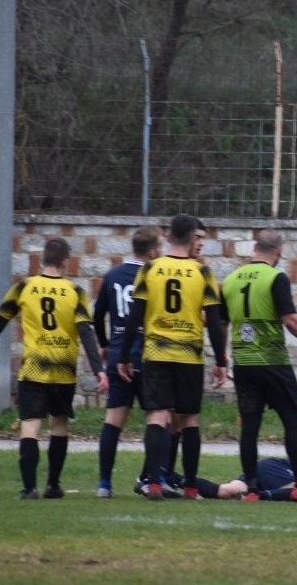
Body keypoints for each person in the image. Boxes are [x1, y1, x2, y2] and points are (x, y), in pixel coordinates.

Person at [0, 237, 106, 500]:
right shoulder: (75, 291)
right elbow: (86, 331)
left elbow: (0, 321)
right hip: (63, 369)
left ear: (43, 260)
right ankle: (53, 485)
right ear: (66, 261)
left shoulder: (24, 287)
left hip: (34, 367)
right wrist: (99, 368)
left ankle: (29, 488)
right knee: (58, 426)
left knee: (30, 426)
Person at [220, 229, 297, 505]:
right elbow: (290, 319)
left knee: (250, 427)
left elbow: (220, 322)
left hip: (243, 363)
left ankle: (251, 489)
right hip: (271, 361)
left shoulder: (229, 280)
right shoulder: (276, 277)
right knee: (292, 420)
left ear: (255, 248)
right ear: (278, 252)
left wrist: (221, 359)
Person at [118, 214, 228, 501]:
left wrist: (125, 356)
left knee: (157, 415)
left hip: (156, 353)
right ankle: (190, 486)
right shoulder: (203, 273)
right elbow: (214, 323)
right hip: (189, 355)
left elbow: (135, 317)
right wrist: (221, 362)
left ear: (168, 237)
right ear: (193, 238)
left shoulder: (151, 269)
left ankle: (154, 482)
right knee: (189, 420)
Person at [94, 226, 163, 498]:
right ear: (152, 251)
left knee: (113, 421)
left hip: (118, 354)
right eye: (160, 247)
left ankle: (104, 484)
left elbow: (97, 316)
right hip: (149, 357)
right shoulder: (155, 276)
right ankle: (149, 478)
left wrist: (105, 344)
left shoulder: (112, 276)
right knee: (158, 419)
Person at [184, 450, 297, 504]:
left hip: (271, 480)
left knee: (226, 491)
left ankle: (175, 481)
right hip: (275, 468)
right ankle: (259, 496)